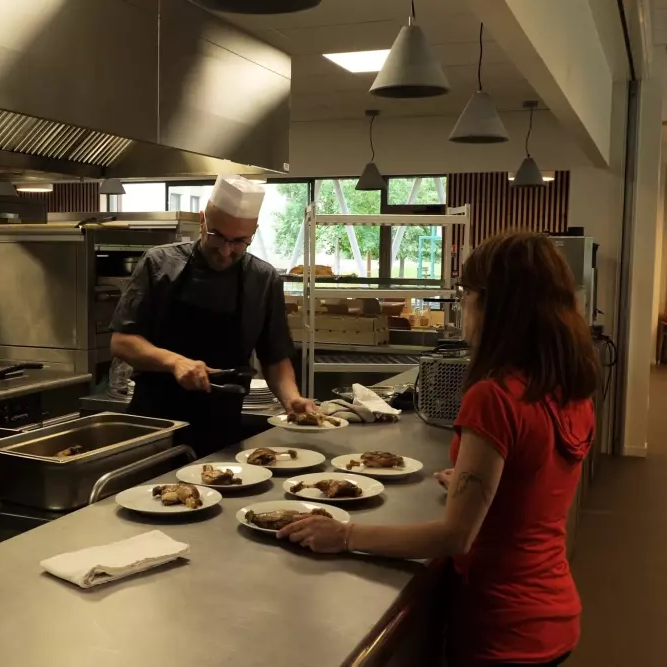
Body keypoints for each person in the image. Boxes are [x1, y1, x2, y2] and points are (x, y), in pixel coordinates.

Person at [278, 232, 598, 667]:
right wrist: (480, 485)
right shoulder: (570, 389)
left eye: (467, 293)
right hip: (555, 613)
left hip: (501, 628)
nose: (463, 305)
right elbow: (537, 486)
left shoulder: (495, 396)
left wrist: (345, 535)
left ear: (493, 303)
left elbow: (455, 537)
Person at [110, 174, 313, 455]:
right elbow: (122, 341)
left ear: (254, 232)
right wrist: (175, 362)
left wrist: (291, 399)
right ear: (202, 221)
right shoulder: (159, 264)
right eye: (217, 237)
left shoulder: (263, 279)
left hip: (221, 426)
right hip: (155, 424)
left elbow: (275, 356)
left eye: (239, 241)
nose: (226, 251)